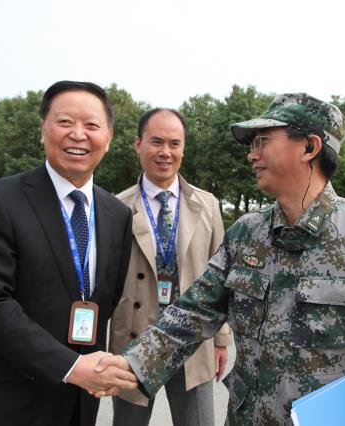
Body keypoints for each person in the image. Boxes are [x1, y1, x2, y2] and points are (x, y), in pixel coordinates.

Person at [98, 93, 345, 425]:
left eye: (262, 141)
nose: (252, 154)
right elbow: (193, 311)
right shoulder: (247, 233)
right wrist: (133, 364)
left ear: (309, 147)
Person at [0, 81, 137, 426]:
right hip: (3, 400)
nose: (78, 134)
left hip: (78, 402)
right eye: (65, 122)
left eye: (91, 125)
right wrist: (71, 366)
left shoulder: (117, 213)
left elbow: (105, 302)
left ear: (108, 138)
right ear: (43, 130)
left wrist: (89, 369)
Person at [109, 108, 232, 426]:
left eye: (174, 143)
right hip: (135, 342)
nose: (165, 152)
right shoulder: (116, 207)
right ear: (138, 144)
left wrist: (221, 340)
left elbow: (222, 278)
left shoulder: (207, 205)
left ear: (183, 149)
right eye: (156, 142)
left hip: (191, 340)